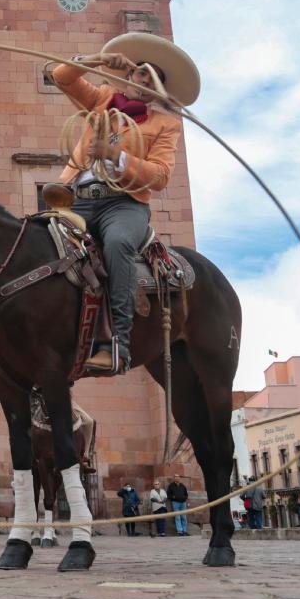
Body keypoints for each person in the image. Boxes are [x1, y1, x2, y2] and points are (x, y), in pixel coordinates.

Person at [50, 33, 200, 374]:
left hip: (125, 204)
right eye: (140, 72)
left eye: (153, 77)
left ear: (157, 89)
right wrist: (97, 60)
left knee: (117, 244)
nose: (143, 78)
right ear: (129, 75)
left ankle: (118, 342)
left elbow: (160, 176)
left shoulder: (165, 124)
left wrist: (113, 155)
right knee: (34, 235)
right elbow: (62, 77)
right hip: (77, 198)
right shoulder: (102, 99)